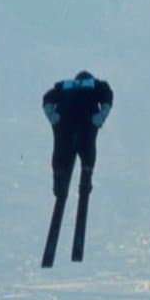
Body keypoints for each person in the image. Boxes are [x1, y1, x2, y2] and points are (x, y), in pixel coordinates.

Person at [41, 71, 113, 204]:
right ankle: (86, 175)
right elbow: (107, 95)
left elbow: (47, 98)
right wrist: (102, 115)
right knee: (87, 149)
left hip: (64, 122)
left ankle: (60, 178)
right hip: (85, 123)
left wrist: (52, 115)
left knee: (61, 152)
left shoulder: (65, 87)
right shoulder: (95, 85)